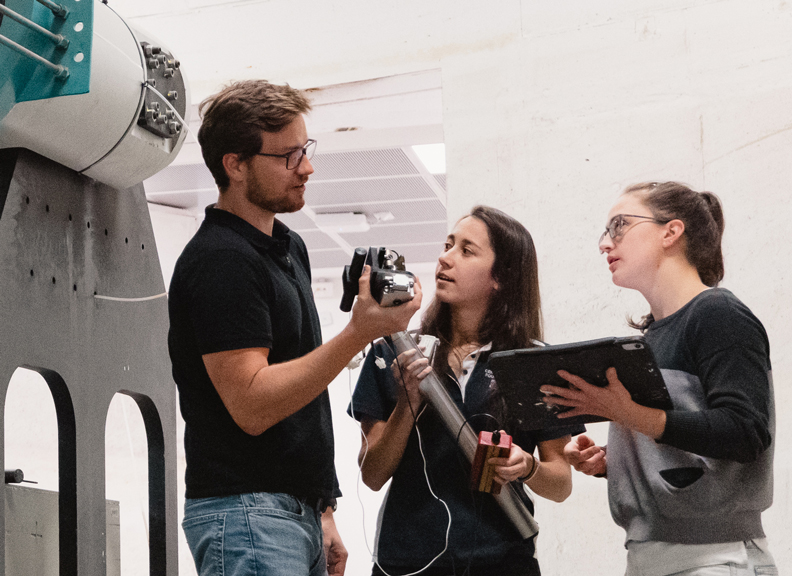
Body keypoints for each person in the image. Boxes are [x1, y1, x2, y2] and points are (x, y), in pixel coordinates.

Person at [167, 79, 422, 576]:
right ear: (235, 164)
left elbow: (298, 404)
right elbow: (253, 405)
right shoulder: (222, 260)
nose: (306, 167)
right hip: (246, 512)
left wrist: (322, 508)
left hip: (289, 514)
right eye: (287, 157)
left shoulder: (287, 249)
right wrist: (357, 334)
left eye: (304, 150)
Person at [542, 182, 776, 575]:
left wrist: (629, 415)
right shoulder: (653, 335)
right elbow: (682, 443)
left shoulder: (718, 313)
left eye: (619, 226)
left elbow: (745, 430)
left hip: (715, 558)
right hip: (652, 555)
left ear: (671, 232)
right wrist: (614, 462)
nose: (605, 243)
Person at [348, 206, 582, 576]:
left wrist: (527, 466)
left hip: (502, 559)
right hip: (406, 561)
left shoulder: (535, 362)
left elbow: (560, 483)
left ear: (501, 277)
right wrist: (407, 403)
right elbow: (373, 475)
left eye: (466, 250)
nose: (445, 257)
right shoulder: (392, 351)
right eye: (447, 245)